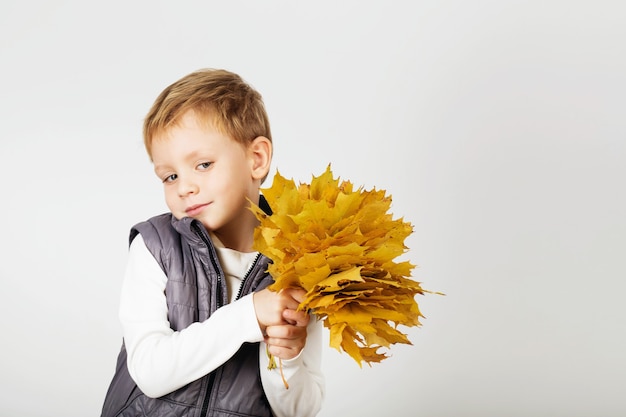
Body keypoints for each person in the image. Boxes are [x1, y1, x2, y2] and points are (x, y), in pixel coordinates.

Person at [101, 68, 325, 417]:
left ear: (257, 159)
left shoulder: (299, 264)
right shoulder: (155, 247)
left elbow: (300, 410)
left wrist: (289, 359)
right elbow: (149, 371)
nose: (184, 187)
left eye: (203, 164)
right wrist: (250, 314)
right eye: (170, 175)